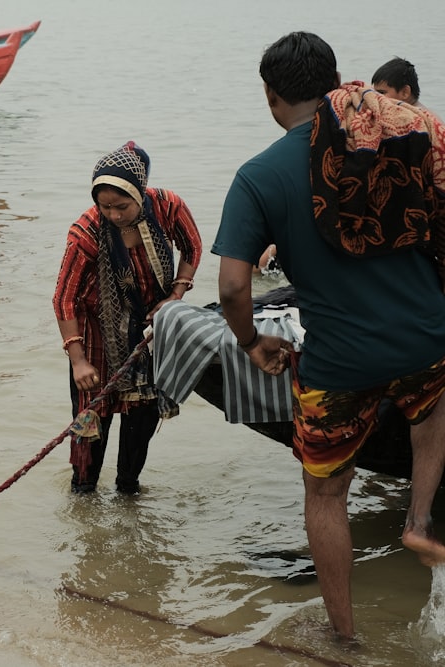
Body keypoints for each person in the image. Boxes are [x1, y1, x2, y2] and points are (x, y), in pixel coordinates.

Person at [212, 31, 445, 639]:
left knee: (327, 495)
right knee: (434, 403)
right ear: (335, 83)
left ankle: (343, 634)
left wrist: (248, 342)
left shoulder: (259, 175)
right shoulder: (402, 137)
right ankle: (419, 519)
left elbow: (235, 289)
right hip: (428, 337)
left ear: (270, 96)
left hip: (339, 363)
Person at [53, 142, 202, 495]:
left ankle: (128, 491)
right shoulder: (85, 233)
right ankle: (84, 494)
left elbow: (192, 246)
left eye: (122, 206)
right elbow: (64, 299)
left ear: (141, 194)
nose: (114, 215)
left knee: (141, 418)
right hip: (97, 331)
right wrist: (78, 362)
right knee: (92, 423)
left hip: (150, 328)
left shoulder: (167, 206)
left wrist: (175, 296)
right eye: (104, 207)